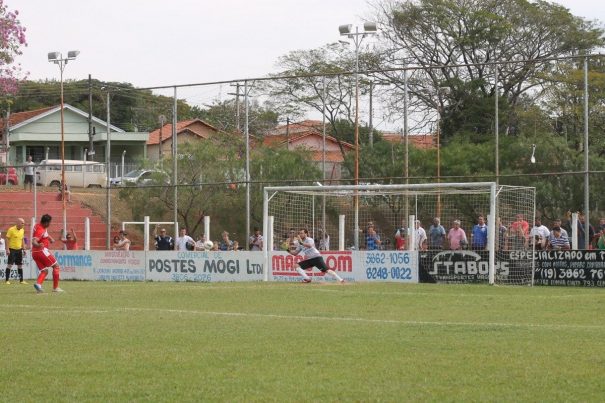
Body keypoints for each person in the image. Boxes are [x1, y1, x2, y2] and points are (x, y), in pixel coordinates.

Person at [32, 214, 63, 293]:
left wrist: (50, 238)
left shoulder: (38, 225)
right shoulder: (41, 230)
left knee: (44, 271)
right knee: (56, 266)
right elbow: (34, 241)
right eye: (49, 222)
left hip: (34, 253)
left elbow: (44, 234)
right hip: (41, 251)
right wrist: (38, 244)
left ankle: (38, 285)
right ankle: (55, 288)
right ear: (46, 223)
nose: (50, 224)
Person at [4, 218, 27, 284]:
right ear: (17, 223)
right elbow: (7, 239)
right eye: (22, 223)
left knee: (20, 265)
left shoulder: (22, 230)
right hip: (12, 250)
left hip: (19, 250)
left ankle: (21, 280)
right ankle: (7, 280)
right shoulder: (11, 229)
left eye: (24, 223)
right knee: (10, 265)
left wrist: (24, 249)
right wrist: (7, 249)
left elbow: (22, 240)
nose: (23, 224)